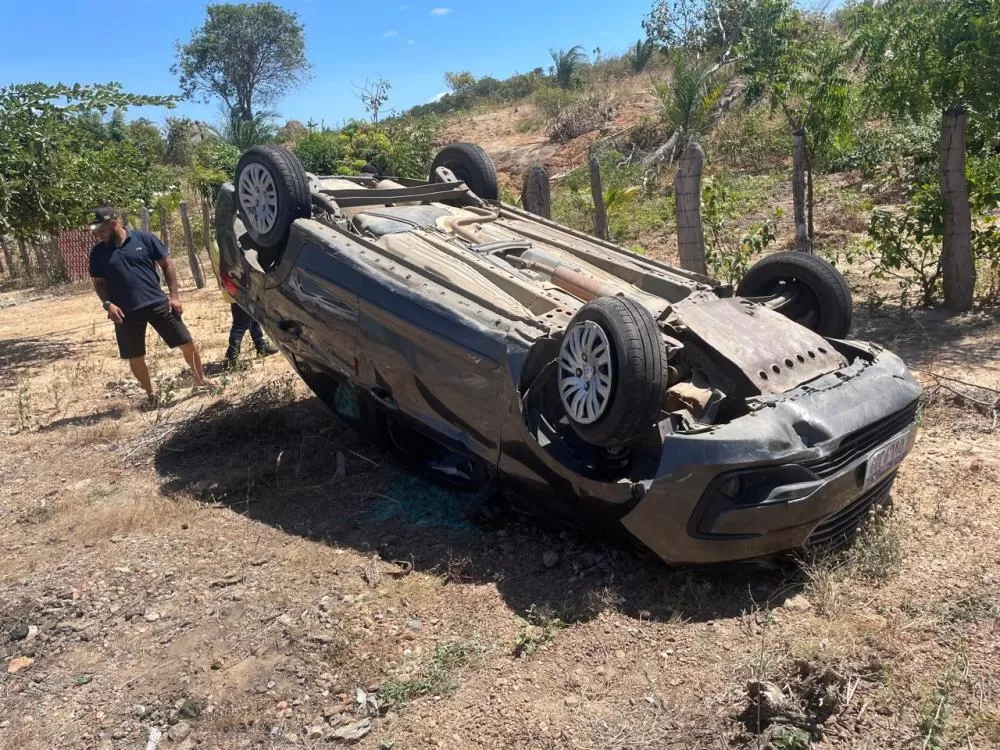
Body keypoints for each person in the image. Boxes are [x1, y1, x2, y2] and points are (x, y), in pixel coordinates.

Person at [88, 206, 213, 403]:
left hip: (157, 303)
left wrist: (174, 296)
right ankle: (151, 395)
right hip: (124, 313)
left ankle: (200, 380)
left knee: (186, 342)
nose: (98, 236)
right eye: (95, 232)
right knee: (135, 356)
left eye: (101, 231)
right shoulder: (97, 253)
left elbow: (167, 265)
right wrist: (108, 304)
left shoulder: (144, 239)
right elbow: (99, 283)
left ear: (113, 224)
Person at [206, 232, 277, 364]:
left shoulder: (217, 244)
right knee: (240, 323)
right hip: (239, 290)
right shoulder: (224, 246)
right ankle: (232, 355)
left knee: (253, 319)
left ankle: (261, 346)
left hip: (237, 289)